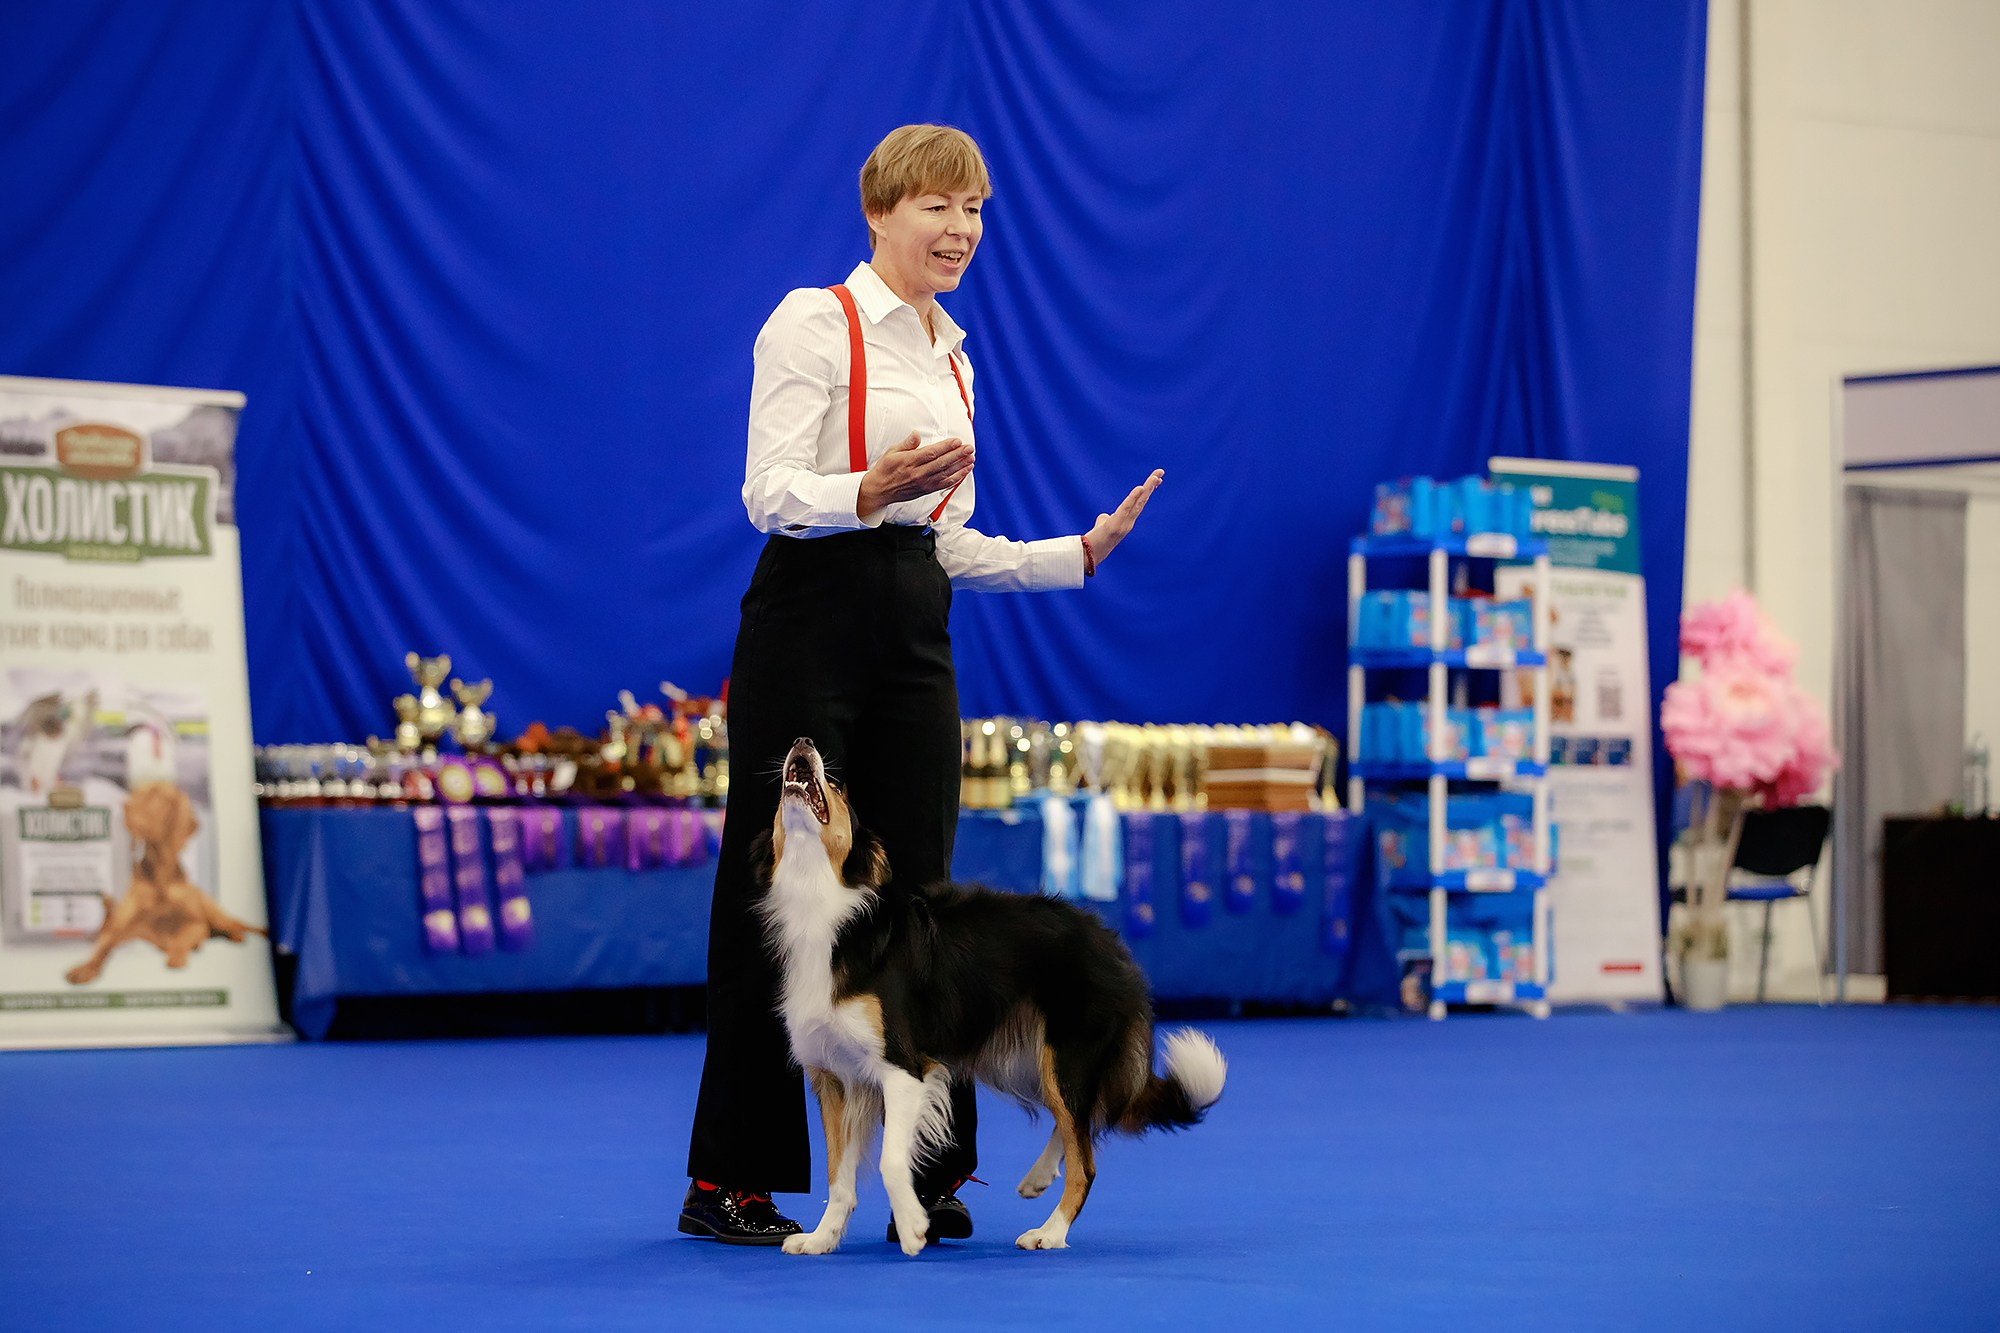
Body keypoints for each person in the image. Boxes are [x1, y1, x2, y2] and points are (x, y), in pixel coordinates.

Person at [680, 123, 1164, 1245]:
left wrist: (1072, 556)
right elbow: (766, 489)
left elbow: (940, 539)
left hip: (913, 621)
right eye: (938, 206)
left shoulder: (955, 355)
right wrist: (865, 487)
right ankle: (731, 1179)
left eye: (975, 209)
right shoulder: (814, 321)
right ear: (879, 212)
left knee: (922, 899)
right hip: (808, 609)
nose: (961, 229)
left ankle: (931, 1170)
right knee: (779, 896)